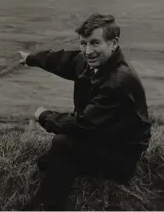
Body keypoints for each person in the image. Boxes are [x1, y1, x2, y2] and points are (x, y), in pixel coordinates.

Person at [18, 13, 151, 210]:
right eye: (83, 43)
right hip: (104, 134)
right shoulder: (95, 62)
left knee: (63, 144)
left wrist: (44, 116)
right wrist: (32, 58)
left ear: (113, 43)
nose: (88, 51)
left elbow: (82, 124)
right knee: (59, 152)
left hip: (122, 154)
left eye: (95, 43)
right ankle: (54, 170)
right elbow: (66, 60)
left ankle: (44, 206)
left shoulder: (119, 82)